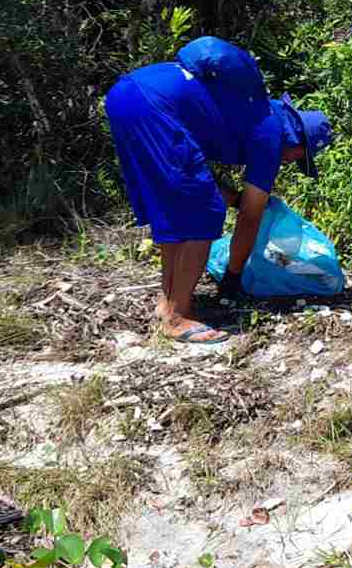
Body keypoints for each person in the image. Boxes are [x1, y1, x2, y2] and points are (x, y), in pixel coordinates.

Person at [104, 37, 333, 344]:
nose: (291, 162)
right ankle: (176, 317)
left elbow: (201, 177)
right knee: (205, 212)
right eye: (298, 158)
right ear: (298, 143)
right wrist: (234, 277)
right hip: (153, 106)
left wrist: (235, 198)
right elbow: (251, 217)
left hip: (126, 94)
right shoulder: (272, 135)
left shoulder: (255, 111)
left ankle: (168, 304)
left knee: (179, 209)